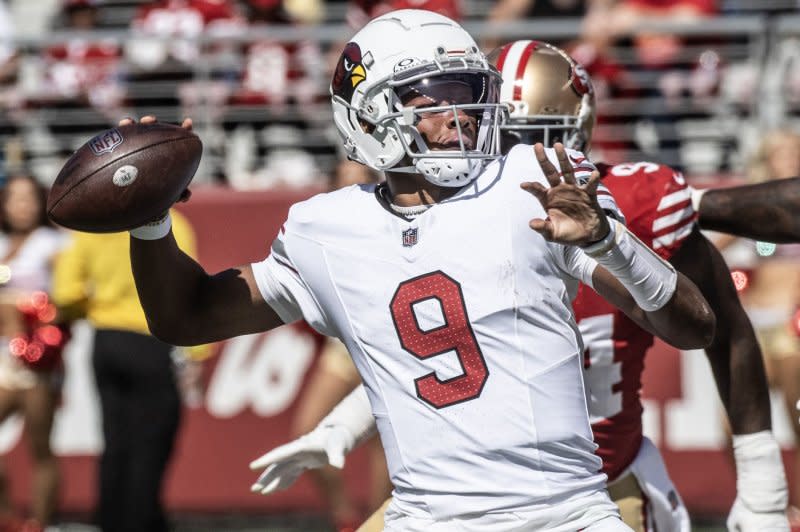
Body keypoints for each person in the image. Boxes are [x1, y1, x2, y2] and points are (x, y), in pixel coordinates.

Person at [126, 10, 714, 531]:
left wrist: (610, 242)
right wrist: (150, 221)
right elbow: (186, 317)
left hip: (567, 512)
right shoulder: (324, 228)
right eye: (434, 97)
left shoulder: (530, 181)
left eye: (470, 93)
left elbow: (693, 328)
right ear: (369, 114)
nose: (461, 116)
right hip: (426, 516)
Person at [250, 39, 790, 532]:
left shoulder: (634, 200)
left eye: (533, 137)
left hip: (601, 481)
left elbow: (722, 328)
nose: (515, 156)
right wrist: (341, 429)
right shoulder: (446, 212)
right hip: (471, 494)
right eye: (505, 135)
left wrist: (763, 483)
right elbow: (447, 355)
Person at [51, 208, 205, 532]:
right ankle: (142, 521)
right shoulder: (173, 223)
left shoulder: (95, 223)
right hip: (150, 341)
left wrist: (96, 308)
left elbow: (65, 293)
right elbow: (188, 287)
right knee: (151, 443)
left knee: (115, 441)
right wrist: (198, 352)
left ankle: (111, 521)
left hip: (105, 340)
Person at [288, 160, 391, 531]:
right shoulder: (318, 230)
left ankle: (379, 521)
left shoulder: (388, 227)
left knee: (384, 447)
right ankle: (344, 518)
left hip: (382, 346)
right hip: (343, 349)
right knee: (307, 429)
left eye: (358, 184)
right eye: (342, 185)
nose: (349, 193)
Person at [0, 175, 70, 532]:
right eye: (14, 198)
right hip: (1, 357)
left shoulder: (54, 244)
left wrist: (25, 310)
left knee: (40, 443)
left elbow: (66, 300)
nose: (21, 206)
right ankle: (8, 518)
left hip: (37, 359)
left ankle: (41, 523)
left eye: (28, 198)